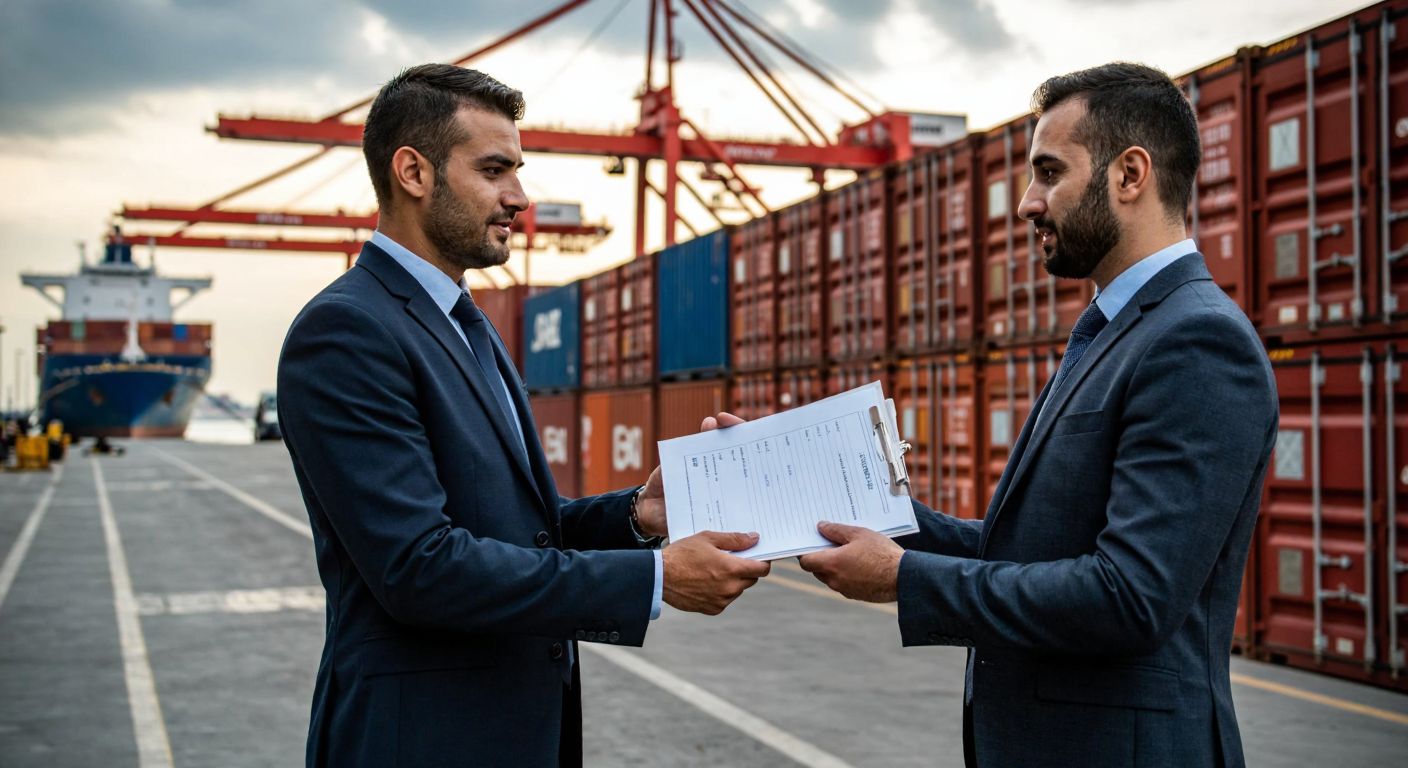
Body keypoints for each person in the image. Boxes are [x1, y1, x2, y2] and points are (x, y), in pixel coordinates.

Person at [277, 64, 770, 768]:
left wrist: (637, 516)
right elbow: (419, 566)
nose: (520, 198)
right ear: (413, 173)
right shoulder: (347, 331)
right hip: (419, 740)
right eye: (495, 170)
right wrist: (656, 581)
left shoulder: (462, 323)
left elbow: (515, 530)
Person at [797, 62, 1277, 767]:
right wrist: (840, 497)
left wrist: (903, 578)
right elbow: (1026, 553)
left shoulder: (1196, 342)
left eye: (1049, 172)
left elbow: (1129, 596)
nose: (1027, 202)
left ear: (1130, 174)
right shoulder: (1115, 331)